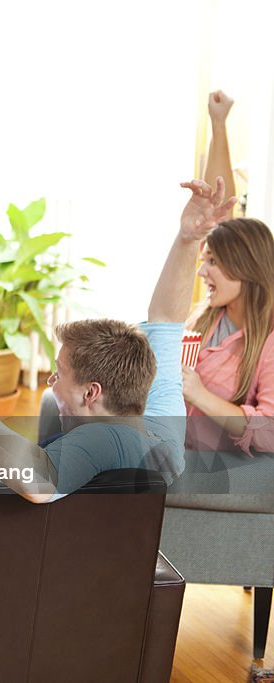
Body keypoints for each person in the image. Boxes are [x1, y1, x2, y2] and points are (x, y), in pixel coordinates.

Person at [0, 177, 236, 503]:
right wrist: (188, 239)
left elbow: (38, 484)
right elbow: (167, 319)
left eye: (58, 373)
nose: (52, 382)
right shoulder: (163, 426)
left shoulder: (103, 438)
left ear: (91, 391)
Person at [177, 92, 274, 486]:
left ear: (246, 268)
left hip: (209, 474)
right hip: (172, 451)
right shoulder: (207, 316)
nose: (202, 271)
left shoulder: (267, 341)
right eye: (205, 258)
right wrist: (217, 124)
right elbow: (218, 210)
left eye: (213, 261)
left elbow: (269, 430)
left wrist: (199, 394)